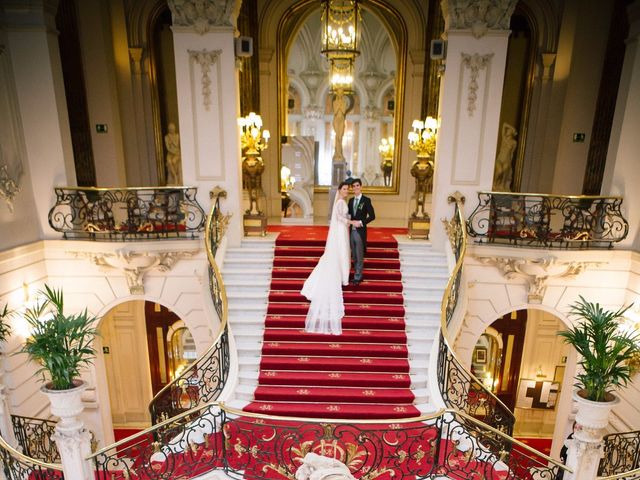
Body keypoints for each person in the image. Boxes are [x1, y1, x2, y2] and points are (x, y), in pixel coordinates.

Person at [301, 181, 355, 335]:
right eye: (344, 189)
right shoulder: (339, 202)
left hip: (342, 230)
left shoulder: (342, 201)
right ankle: (341, 276)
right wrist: (350, 222)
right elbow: (339, 218)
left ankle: (343, 275)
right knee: (340, 252)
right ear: (339, 190)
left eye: (347, 189)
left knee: (343, 252)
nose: (346, 191)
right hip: (340, 230)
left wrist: (348, 222)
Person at [348, 178, 375, 285]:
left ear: (361, 186)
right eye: (353, 186)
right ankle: (356, 273)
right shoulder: (350, 201)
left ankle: (358, 276)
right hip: (351, 231)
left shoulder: (366, 200)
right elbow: (349, 215)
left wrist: (361, 222)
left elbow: (372, 216)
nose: (355, 188)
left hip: (360, 232)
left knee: (359, 255)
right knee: (353, 254)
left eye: (357, 185)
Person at [494, 122, 517, 192]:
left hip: (507, 160)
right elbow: (504, 124)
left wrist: (510, 165)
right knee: (500, 171)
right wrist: (512, 128)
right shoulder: (504, 138)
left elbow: (512, 153)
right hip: (500, 159)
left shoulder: (514, 142)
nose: (507, 131)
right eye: (507, 130)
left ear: (511, 133)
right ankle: (495, 183)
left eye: (509, 130)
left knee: (505, 172)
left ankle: (502, 185)